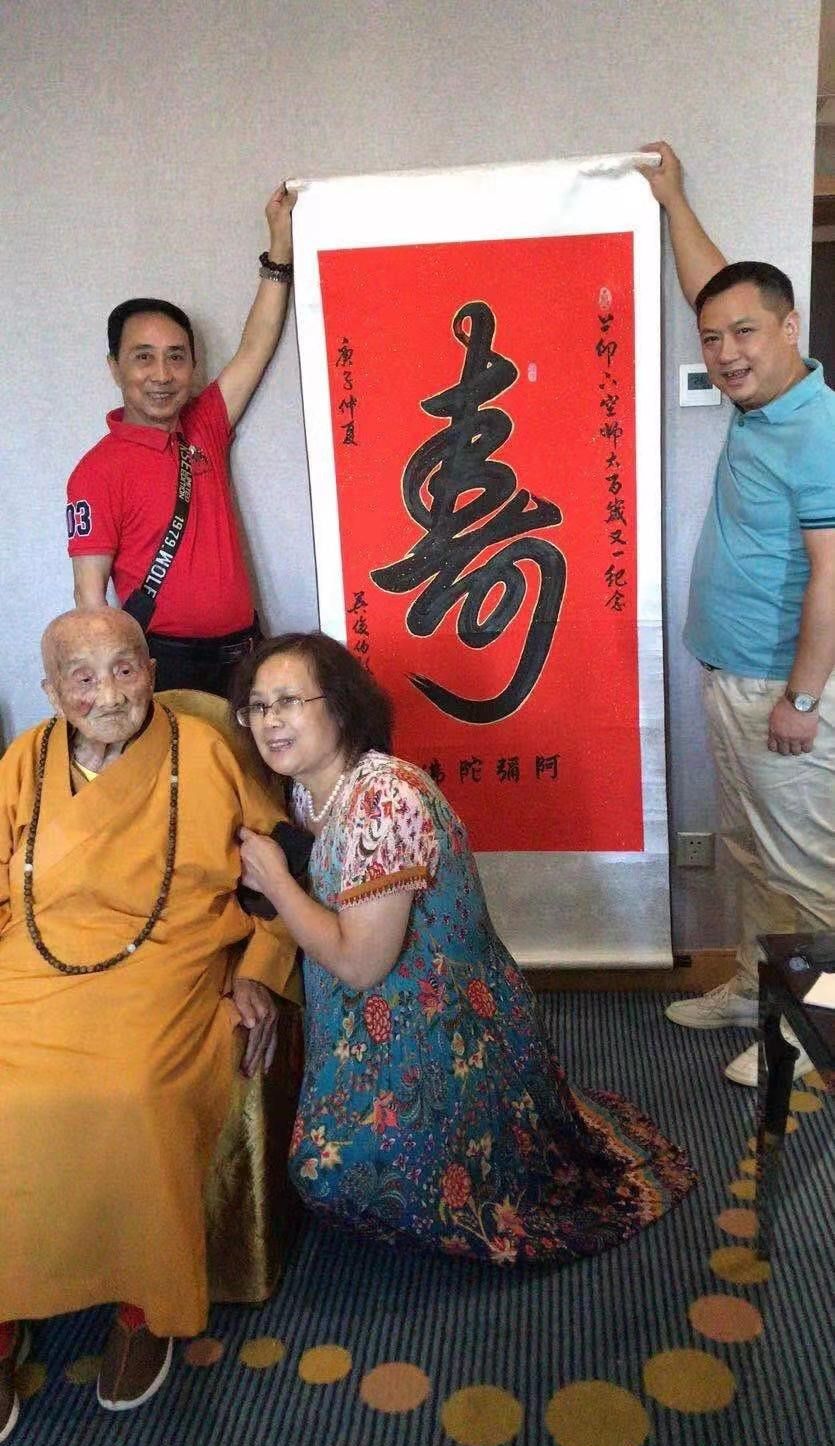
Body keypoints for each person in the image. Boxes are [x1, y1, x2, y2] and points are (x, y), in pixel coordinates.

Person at [231, 632, 695, 1263]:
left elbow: (362, 965)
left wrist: (277, 883)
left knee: (329, 1176)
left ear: (339, 707)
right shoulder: (308, 791)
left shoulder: (382, 800)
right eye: (258, 707)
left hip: (444, 1024)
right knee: (323, 1170)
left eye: (289, 701)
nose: (270, 721)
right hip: (377, 1015)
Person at [0, 609, 299, 1441]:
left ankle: (144, 1305)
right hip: (31, 960)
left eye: (124, 669)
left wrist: (260, 969)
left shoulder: (206, 751)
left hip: (168, 959)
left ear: (152, 670)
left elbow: (280, 874)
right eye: (82, 677)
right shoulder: (23, 760)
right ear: (51, 690)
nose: (108, 694)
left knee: (134, 1091)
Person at [640, 143, 835, 1085]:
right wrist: (673, 198)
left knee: (808, 874)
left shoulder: (819, 429)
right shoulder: (762, 409)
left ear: (790, 327)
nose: (724, 353)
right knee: (751, 856)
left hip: (781, 687)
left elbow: (833, 579)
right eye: (712, 339)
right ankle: (758, 989)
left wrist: (801, 700)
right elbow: (710, 289)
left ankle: (806, 1038)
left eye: (745, 334)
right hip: (733, 676)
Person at [66, 184, 296, 697]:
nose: (162, 374)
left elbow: (255, 346)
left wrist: (279, 248)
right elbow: (90, 601)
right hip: (162, 664)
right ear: (114, 368)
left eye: (176, 356)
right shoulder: (96, 471)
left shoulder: (204, 424)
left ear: (192, 366)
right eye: (143, 357)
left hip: (244, 654)